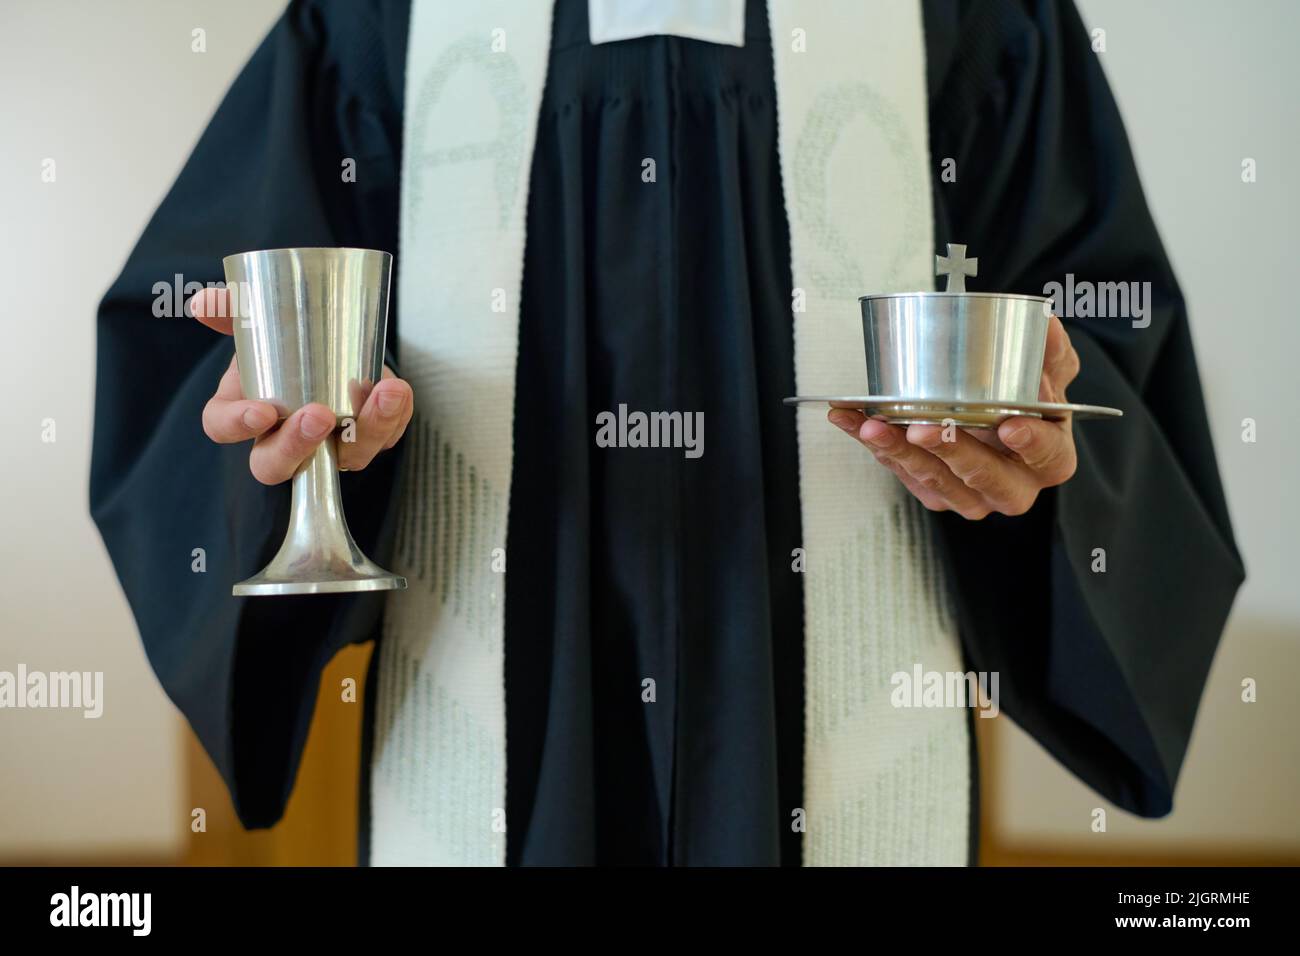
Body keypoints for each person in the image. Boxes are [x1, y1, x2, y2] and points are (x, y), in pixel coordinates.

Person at [91, 0, 1243, 866]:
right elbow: (218, 334)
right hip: (489, 766)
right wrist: (293, 450)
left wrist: (1041, 459)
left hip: (851, 766)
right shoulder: (378, 16)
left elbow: (1097, 338)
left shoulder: (970, 12)